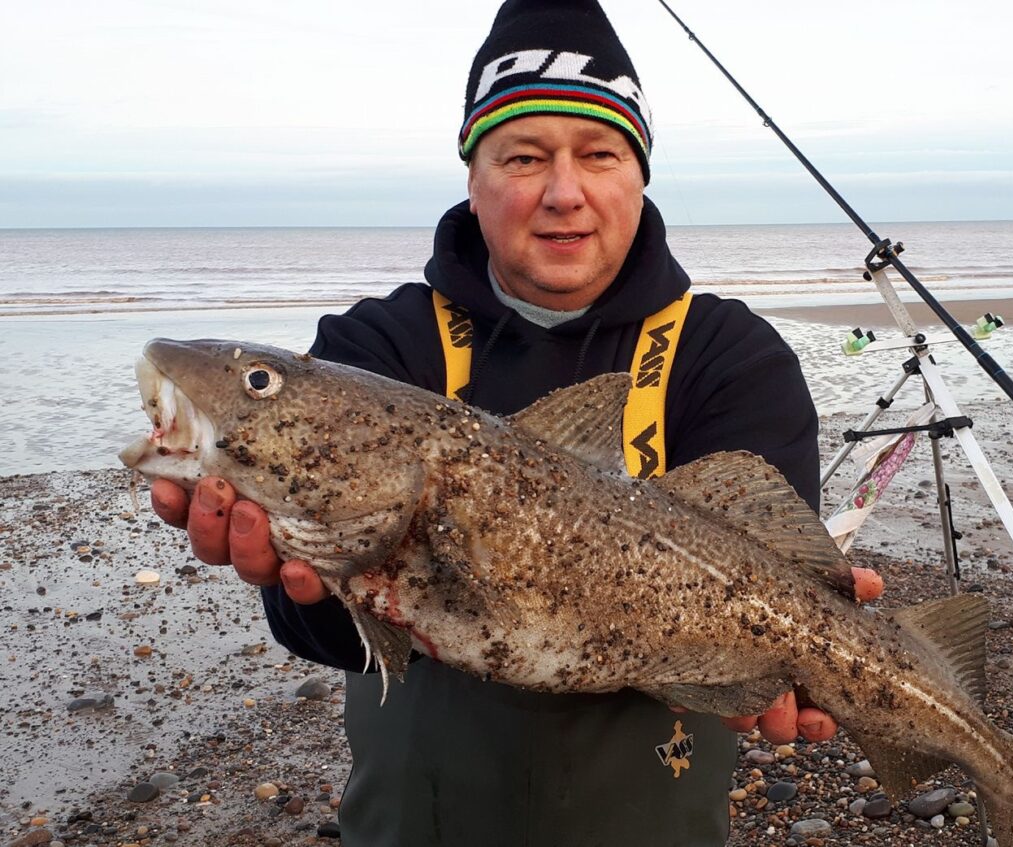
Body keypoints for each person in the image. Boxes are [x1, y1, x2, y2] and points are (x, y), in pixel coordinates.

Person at [151, 1, 882, 844]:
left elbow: (780, 574)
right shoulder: (376, 346)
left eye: (599, 154)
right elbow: (313, 623)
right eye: (525, 156)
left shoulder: (732, 356)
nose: (564, 193)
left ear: (639, 173)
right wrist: (309, 572)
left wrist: (783, 670)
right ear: (474, 175)